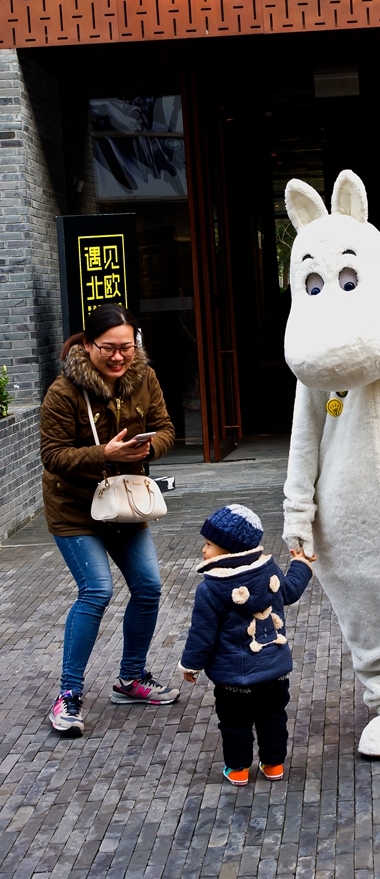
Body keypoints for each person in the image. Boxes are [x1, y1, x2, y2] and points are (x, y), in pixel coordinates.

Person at [41, 303, 178, 737]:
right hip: (75, 509)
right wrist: (106, 453)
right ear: (86, 344)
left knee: (149, 586)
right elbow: (53, 456)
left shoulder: (145, 378)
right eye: (109, 348)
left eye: (127, 347)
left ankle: (131, 679)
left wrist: (147, 449)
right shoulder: (63, 392)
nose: (119, 357)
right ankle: (68, 695)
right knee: (97, 590)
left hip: (123, 503)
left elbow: (167, 428)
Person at [178, 504, 315, 785]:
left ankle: (238, 769)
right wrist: (302, 564)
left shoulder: (210, 588)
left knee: (235, 724)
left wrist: (191, 664)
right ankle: (274, 765)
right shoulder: (270, 571)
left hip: (233, 679)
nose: (203, 550)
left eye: (208, 544)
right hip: (274, 671)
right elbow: (290, 591)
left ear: (230, 550)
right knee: (273, 718)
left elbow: (202, 634)